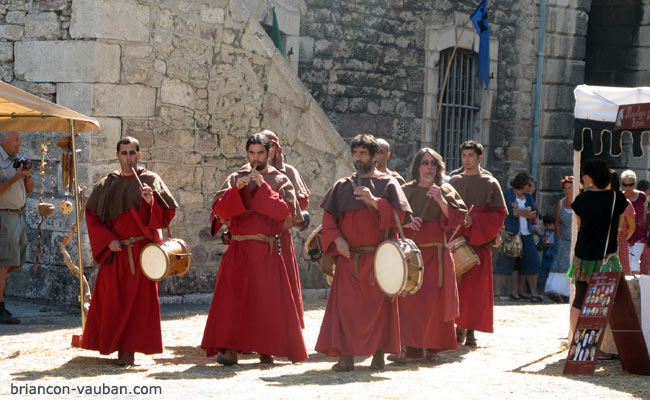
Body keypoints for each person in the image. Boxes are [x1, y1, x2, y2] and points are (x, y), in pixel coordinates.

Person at [202, 133, 307, 366]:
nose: (256, 157)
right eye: (252, 153)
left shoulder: (280, 180)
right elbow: (218, 212)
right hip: (238, 247)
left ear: (269, 153)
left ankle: (265, 349)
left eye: (260, 152)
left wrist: (263, 189)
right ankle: (230, 349)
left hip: (266, 248)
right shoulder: (234, 178)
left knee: (265, 300)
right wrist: (235, 192)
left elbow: (286, 213)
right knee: (233, 301)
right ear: (247, 153)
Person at [315, 133, 411, 371]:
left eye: (363, 153)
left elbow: (400, 218)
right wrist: (337, 240)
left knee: (378, 308)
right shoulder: (341, 186)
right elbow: (328, 221)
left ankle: (378, 355)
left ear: (375, 156)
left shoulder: (388, 184)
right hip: (349, 258)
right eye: (355, 153)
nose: (358, 158)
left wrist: (375, 201)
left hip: (379, 258)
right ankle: (346, 356)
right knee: (346, 308)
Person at [83, 136, 178, 366]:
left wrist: (150, 202)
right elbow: (92, 217)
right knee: (113, 302)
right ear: (117, 156)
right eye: (124, 153)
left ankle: (129, 349)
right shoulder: (107, 185)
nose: (128, 158)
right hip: (116, 252)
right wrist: (107, 240)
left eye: (132, 153)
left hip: (142, 254)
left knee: (138, 304)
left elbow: (167, 214)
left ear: (139, 155)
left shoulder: (151, 180)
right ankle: (114, 344)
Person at [390, 148, 467, 362]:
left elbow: (459, 219)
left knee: (434, 301)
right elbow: (392, 217)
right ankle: (409, 348)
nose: (429, 167)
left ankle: (433, 348)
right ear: (417, 167)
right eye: (425, 163)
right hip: (409, 254)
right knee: (408, 301)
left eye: (433, 163)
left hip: (436, 253)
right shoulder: (405, 190)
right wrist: (407, 222)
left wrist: (441, 201)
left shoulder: (446, 189)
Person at [448, 140, 506, 347]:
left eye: (471, 156)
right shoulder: (453, 182)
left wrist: (476, 222)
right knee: (457, 287)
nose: (467, 160)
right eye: (464, 156)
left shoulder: (490, 183)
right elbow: (446, 210)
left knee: (475, 290)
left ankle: (471, 330)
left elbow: (499, 214)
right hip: (457, 242)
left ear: (480, 157)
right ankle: (458, 328)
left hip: (479, 244)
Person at [567, 158, 627, 344]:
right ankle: (600, 345)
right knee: (604, 302)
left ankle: (577, 343)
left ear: (590, 177)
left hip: (584, 254)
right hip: (607, 256)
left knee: (580, 298)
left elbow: (580, 224)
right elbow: (620, 226)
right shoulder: (617, 198)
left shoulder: (581, 200)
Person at [261, 129, 310, 328]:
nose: (268, 149)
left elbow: (302, 200)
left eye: (272, 145)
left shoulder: (288, 172)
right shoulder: (248, 170)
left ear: (277, 148)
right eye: (265, 145)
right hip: (254, 236)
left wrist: (281, 209)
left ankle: (285, 328)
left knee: (283, 282)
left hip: (280, 233)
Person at [0, 132, 34, 325]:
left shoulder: (17, 160)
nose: (19, 143)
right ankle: (0, 307)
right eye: (15, 139)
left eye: (21, 139)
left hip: (17, 215)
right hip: (3, 215)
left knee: (20, 259)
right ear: (3, 139)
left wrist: (27, 176)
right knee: (3, 264)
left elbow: (29, 189)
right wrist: (15, 177)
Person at [497, 172, 542, 302]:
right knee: (506, 263)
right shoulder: (508, 194)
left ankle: (533, 293)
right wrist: (525, 211)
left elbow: (534, 213)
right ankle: (499, 293)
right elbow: (511, 212)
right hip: (511, 234)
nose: (530, 187)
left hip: (526, 234)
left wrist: (521, 212)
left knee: (532, 263)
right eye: (528, 185)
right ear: (522, 184)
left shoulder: (528, 196)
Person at [545, 176, 573, 303]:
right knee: (559, 264)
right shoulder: (561, 203)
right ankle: (556, 290)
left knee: (572, 264)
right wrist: (558, 233)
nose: (567, 191)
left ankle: (569, 292)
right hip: (563, 239)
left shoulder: (580, 201)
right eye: (565, 188)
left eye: (570, 187)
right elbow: (557, 220)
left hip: (576, 239)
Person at [621, 170, 647, 274]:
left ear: (635, 183)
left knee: (634, 261)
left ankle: (635, 287)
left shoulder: (641, 196)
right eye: (625, 185)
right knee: (627, 262)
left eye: (630, 185)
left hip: (639, 234)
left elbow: (645, 213)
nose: (627, 187)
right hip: (625, 235)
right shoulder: (620, 197)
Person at [612, 171, 636, 275]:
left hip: (620, 242)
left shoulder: (625, 202)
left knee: (623, 274)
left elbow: (632, 227)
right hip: (603, 241)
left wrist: (623, 240)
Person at [537, 214, 556, 297]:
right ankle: (541, 295)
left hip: (555, 264)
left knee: (554, 280)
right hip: (545, 263)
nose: (549, 227)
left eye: (550, 225)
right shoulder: (543, 236)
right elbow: (539, 248)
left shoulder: (557, 236)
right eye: (546, 225)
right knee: (542, 280)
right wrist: (542, 242)